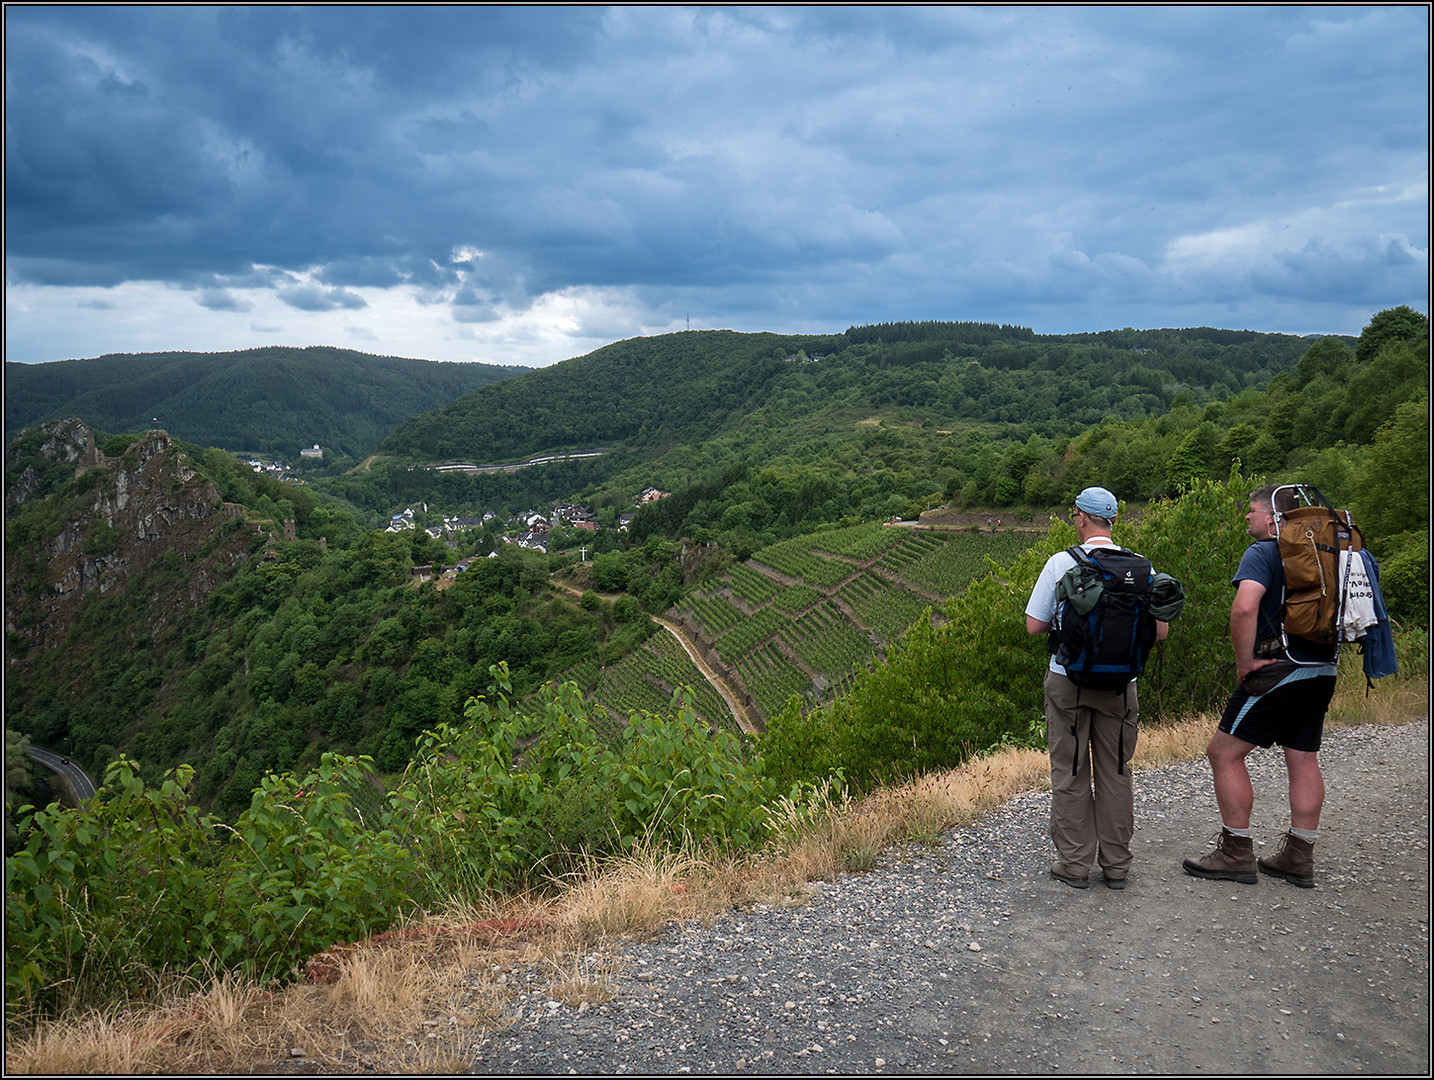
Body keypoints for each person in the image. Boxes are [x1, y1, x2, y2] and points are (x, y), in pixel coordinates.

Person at [1182, 484, 1336, 888]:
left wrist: (1244, 662)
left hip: (1277, 669)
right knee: (1302, 756)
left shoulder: (1264, 552)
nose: (1246, 518)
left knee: (1224, 753)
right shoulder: (1329, 554)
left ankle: (1236, 852)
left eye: (1251, 511)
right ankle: (1299, 857)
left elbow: (1245, 606)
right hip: (1322, 668)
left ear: (1273, 518)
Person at [1025, 486, 1169, 890]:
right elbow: (1161, 631)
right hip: (1122, 686)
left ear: (1082, 518)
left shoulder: (1062, 563)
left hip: (1067, 680)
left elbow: (1034, 625)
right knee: (1117, 771)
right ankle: (1117, 865)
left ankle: (1074, 864)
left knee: (1070, 771)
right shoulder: (1143, 567)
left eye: (1075, 515)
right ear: (1114, 520)